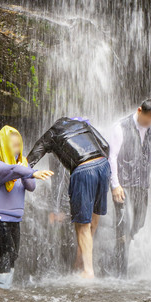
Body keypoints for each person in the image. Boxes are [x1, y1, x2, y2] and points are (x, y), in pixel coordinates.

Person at [27, 116, 110, 279]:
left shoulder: (51, 135)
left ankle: (88, 271)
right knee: (93, 219)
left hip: (84, 170)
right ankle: (80, 262)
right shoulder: (82, 124)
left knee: (82, 225)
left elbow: (29, 162)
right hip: (104, 165)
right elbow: (105, 146)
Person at [0, 125, 53, 288]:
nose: (18, 148)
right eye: (13, 145)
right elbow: (12, 169)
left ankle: (4, 287)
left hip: (14, 219)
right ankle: (2, 289)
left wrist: (26, 167)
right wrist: (31, 171)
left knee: (13, 254)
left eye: (19, 145)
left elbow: (31, 186)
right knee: (7, 252)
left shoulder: (20, 169)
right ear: (4, 145)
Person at [108, 98, 151, 275]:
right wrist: (115, 185)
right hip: (123, 185)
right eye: (145, 121)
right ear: (139, 110)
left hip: (141, 184)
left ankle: (122, 247)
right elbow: (112, 157)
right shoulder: (120, 127)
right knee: (123, 226)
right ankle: (120, 274)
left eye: (150, 122)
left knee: (138, 224)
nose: (147, 124)